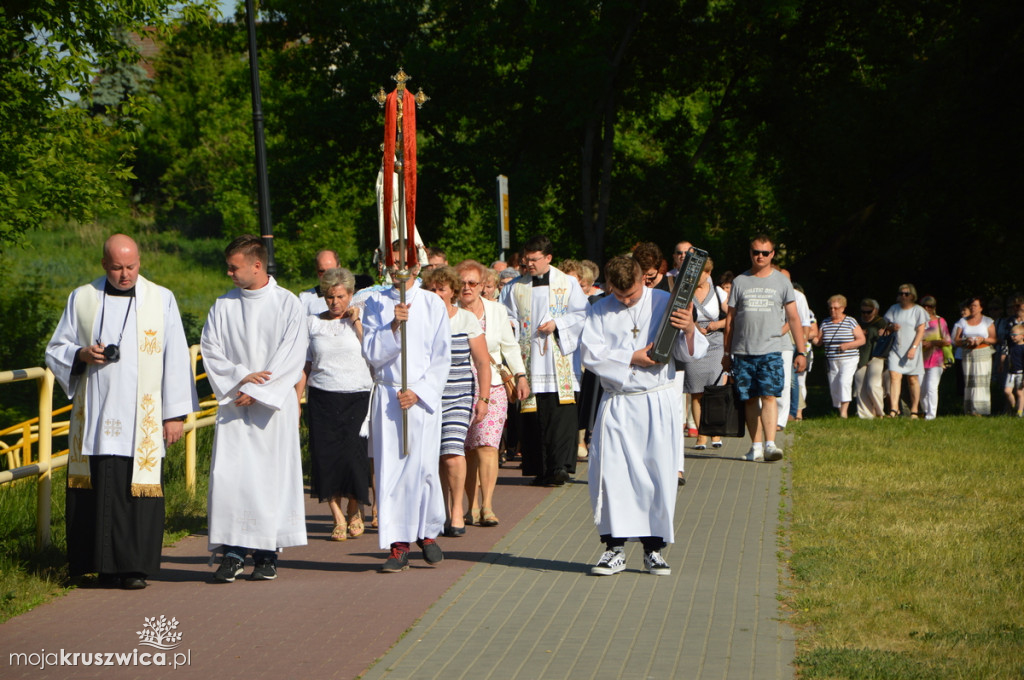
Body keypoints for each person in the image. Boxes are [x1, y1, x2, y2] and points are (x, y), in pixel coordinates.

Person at [45, 234, 198, 590]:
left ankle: (133, 568)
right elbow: (56, 348)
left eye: (131, 266)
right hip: (96, 415)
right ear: (104, 265)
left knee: (134, 493)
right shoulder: (83, 298)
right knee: (97, 490)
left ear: (140, 262)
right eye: (117, 267)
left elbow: (175, 357)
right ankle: (98, 566)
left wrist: (173, 415)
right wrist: (81, 354)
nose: (125, 274)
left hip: (141, 418)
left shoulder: (161, 299)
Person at [580, 256, 708, 576]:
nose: (627, 301)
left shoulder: (665, 302)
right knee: (613, 474)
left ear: (643, 279)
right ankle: (614, 549)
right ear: (610, 286)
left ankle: (654, 550)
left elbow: (688, 352)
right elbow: (591, 355)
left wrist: (689, 328)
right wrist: (631, 357)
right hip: (619, 401)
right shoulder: (599, 309)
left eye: (633, 293)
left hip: (657, 399)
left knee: (658, 474)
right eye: (620, 295)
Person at [201, 235, 309, 582]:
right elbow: (210, 349)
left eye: (234, 267)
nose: (229, 273)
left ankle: (266, 555)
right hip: (235, 406)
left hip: (271, 410)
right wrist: (239, 381)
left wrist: (258, 391)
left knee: (270, 479)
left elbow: (293, 356)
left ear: (257, 265)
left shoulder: (287, 304)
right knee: (232, 479)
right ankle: (232, 554)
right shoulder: (223, 305)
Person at [361, 259, 451, 572]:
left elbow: (442, 356)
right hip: (389, 396)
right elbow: (371, 352)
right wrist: (394, 326)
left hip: (421, 398)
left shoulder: (432, 303)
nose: (400, 268)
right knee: (392, 471)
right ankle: (398, 546)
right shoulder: (375, 302)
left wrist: (421, 392)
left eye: (407, 262)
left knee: (423, 467)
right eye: (395, 262)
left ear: (417, 267)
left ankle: (426, 533)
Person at [501, 234, 588, 486]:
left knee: (560, 415)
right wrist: (513, 326)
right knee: (532, 416)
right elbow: (507, 317)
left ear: (548, 258)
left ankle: (560, 466)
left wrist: (557, 324)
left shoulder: (568, 283)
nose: (528, 264)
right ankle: (539, 468)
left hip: (558, 357)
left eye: (534, 259)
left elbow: (582, 314)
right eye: (526, 259)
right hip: (528, 360)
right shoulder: (513, 287)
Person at [298, 267, 373, 541]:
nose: (335, 303)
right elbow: (304, 365)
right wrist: (297, 398)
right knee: (326, 457)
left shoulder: (361, 319)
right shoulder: (312, 323)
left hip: (357, 395)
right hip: (322, 396)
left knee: (354, 457)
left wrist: (357, 323)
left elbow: (373, 352)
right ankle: (337, 515)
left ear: (351, 295)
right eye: (330, 297)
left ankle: (354, 508)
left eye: (340, 296)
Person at [722, 234, 807, 462]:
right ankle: (756, 447)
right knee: (749, 398)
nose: (760, 256)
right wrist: (726, 352)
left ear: (772, 255)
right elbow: (730, 320)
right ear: (750, 253)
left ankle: (771, 445)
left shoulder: (782, 281)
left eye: (765, 253)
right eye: (755, 252)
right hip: (743, 350)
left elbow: (794, 317)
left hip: (771, 349)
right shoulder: (740, 281)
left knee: (769, 395)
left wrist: (801, 351)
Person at [457, 260, 529, 528]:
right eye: (462, 283)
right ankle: (471, 505)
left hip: (494, 385)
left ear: (483, 286)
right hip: (459, 386)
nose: (467, 288)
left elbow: (510, 347)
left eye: (473, 283)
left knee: (487, 446)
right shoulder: (448, 312)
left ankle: (487, 505)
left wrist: (520, 375)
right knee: (468, 450)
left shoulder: (497, 311)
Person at [421, 265, 491, 537]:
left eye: (442, 289)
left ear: (452, 292)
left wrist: (483, 399)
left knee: (451, 453)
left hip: (458, 395)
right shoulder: (418, 320)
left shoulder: (464, 319)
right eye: (432, 289)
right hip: (426, 396)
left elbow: (483, 362)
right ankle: (438, 511)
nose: (437, 294)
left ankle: (458, 511)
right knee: (432, 457)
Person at [684, 257, 728, 449]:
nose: (695, 276)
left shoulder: (718, 292)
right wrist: (693, 326)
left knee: (715, 390)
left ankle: (716, 433)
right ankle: (701, 435)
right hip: (693, 341)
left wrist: (716, 325)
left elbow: (733, 316)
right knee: (697, 392)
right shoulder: (685, 292)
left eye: (700, 272)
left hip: (715, 343)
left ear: (708, 273)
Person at [814, 295, 865, 418]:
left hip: (849, 358)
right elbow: (819, 341)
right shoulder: (825, 322)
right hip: (831, 359)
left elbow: (861, 340)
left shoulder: (850, 321)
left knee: (844, 382)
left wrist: (847, 345)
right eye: (830, 308)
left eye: (836, 308)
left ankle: (844, 412)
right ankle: (838, 409)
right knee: (834, 385)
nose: (833, 311)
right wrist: (808, 337)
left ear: (843, 308)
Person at [883, 284, 929, 418]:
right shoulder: (894, 309)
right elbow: (886, 326)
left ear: (913, 296)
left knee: (913, 379)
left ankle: (914, 410)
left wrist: (914, 348)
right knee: (894, 376)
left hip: (912, 348)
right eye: (901, 293)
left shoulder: (918, 310)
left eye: (906, 294)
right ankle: (894, 409)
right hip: (896, 348)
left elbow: (921, 331)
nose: (903, 296)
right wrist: (892, 326)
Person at [952, 296, 996, 415]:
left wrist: (983, 339)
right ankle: (970, 409)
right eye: (971, 306)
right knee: (970, 381)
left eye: (975, 306)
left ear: (981, 308)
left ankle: (981, 410)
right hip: (968, 353)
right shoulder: (963, 321)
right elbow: (956, 340)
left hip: (983, 353)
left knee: (980, 381)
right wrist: (966, 341)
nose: (972, 308)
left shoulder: (988, 321)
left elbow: (994, 339)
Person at [854, 299, 889, 419]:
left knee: (873, 385)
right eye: (863, 312)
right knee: (860, 386)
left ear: (875, 311)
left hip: (876, 356)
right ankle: (865, 415)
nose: (865, 315)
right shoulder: (856, 322)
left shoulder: (881, 322)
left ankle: (880, 412)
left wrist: (870, 332)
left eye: (869, 312)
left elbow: (884, 336)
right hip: (860, 356)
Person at [919, 295, 952, 420]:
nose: (927, 308)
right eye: (924, 306)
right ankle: (926, 410)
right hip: (920, 359)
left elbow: (948, 340)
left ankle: (931, 415)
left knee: (931, 387)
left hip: (936, 358)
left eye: (930, 306)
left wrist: (932, 343)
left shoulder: (940, 321)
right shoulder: (918, 322)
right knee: (921, 389)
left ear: (934, 308)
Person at [297, 249, 340, 316]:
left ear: (339, 268)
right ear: (316, 270)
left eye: (330, 271)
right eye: (321, 271)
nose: (326, 275)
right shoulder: (305, 299)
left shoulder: (354, 295)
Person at [1005, 324, 1024, 417]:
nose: (1012, 337)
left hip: (1021, 373)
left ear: (1022, 336)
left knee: (1020, 392)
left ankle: (1019, 412)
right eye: (1011, 335)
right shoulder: (1011, 346)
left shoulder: (1023, 348)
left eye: (1015, 335)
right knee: (1007, 391)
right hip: (1011, 372)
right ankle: (1014, 405)